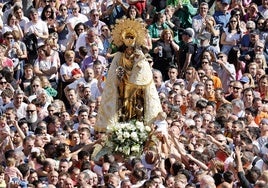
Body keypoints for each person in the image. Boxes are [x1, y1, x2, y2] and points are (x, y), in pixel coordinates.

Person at [95, 19, 162, 132]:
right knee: (124, 104)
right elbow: (113, 72)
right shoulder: (119, 55)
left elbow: (144, 70)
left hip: (136, 85)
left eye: (132, 38)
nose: (129, 41)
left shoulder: (139, 54)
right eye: (127, 38)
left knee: (137, 105)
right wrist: (119, 73)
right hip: (124, 84)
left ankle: (137, 122)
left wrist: (138, 64)